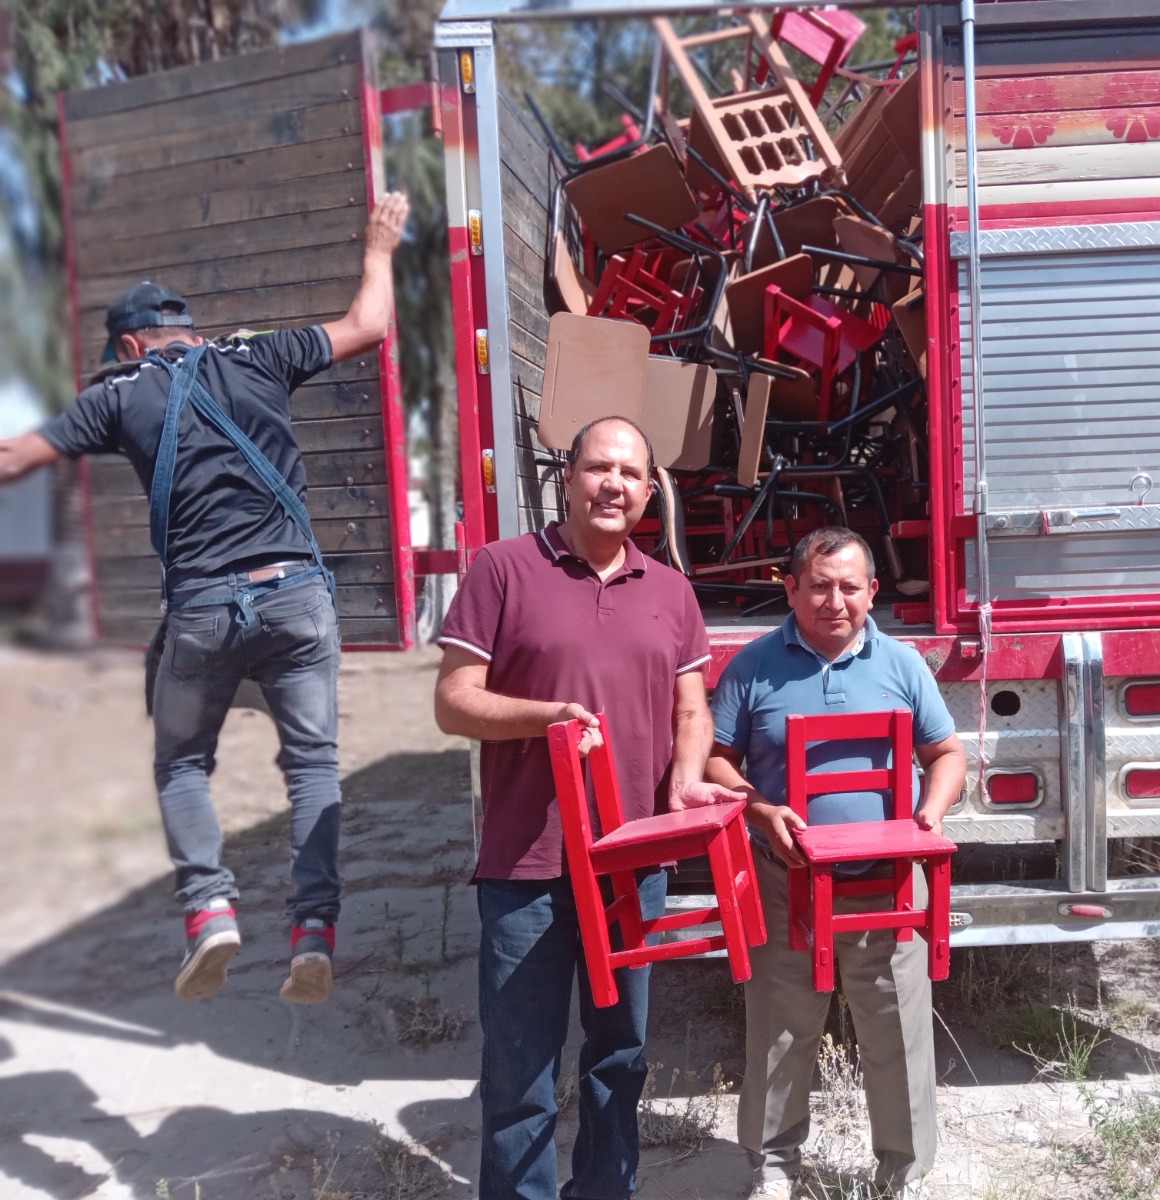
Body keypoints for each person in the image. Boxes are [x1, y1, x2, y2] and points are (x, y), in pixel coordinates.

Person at [0, 192, 410, 1005]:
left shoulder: (117, 394)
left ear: (128, 342)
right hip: (296, 595)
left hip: (204, 609)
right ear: (189, 330)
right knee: (313, 765)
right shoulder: (258, 356)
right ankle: (313, 933)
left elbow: (16, 458)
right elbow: (368, 323)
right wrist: (379, 248)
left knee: (183, 763)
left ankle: (210, 911)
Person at [432, 415, 741, 1200]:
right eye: (599, 468)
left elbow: (692, 709)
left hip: (631, 864)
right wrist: (546, 716)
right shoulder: (503, 568)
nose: (614, 485)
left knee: (619, 1055)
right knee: (518, 1068)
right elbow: (453, 703)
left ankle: (605, 1189)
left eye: (632, 475)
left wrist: (685, 775)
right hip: (526, 863)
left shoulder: (671, 590)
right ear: (565, 478)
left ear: (650, 494)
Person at [705, 527, 968, 1200]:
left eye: (849, 587)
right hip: (783, 880)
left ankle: (902, 1172)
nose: (834, 601)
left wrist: (929, 816)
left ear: (872, 591)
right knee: (781, 1027)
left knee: (897, 1028)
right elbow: (716, 763)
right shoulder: (752, 667)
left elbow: (946, 756)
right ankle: (772, 1168)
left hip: (888, 883)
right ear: (789, 588)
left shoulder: (904, 664)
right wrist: (763, 813)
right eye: (818, 585)